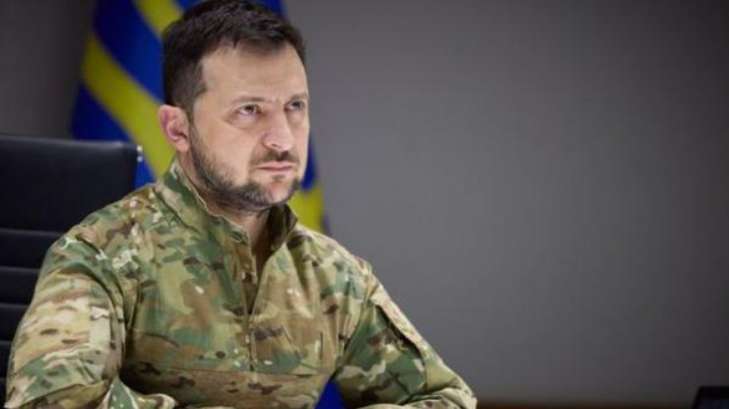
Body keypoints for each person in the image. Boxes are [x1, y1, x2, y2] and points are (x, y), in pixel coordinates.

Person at [5, 1, 477, 408]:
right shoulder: (99, 255)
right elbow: (50, 400)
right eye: (249, 111)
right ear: (177, 129)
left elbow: (445, 398)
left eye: (295, 106)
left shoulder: (333, 276)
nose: (282, 138)